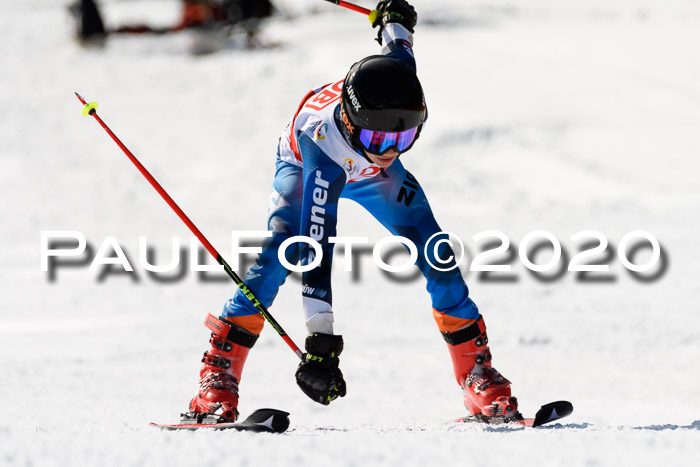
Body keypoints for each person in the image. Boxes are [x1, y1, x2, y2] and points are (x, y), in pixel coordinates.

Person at [187, 0, 519, 423]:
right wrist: (320, 343)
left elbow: (398, 42)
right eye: (376, 138)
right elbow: (316, 251)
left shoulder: (396, 85)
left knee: (437, 251)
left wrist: (394, 17)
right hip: (305, 167)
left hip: (367, 177)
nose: (390, 151)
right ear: (348, 119)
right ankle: (216, 377)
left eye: (405, 136)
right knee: (280, 252)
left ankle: (477, 374)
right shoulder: (323, 145)